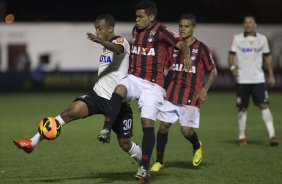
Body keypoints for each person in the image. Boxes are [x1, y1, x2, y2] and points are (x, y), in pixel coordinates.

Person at [13, 14, 142, 163]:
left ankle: (144, 164)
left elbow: (118, 48)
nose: (97, 32)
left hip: (117, 102)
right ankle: (32, 143)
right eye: (96, 29)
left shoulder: (122, 41)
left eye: (100, 29)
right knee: (70, 112)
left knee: (125, 143)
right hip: (98, 95)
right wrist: (101, 41)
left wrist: (99, 41)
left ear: (110, 28)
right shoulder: (105, 46)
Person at [96, 0, 192, 182]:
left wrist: (186, 56)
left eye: (141, 17)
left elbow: (181, 44)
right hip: (135, 78)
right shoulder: (135, 30)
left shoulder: (162, 31)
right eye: (136, 16)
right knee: (120, 88)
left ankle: (145, 166)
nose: (137, 19)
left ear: (151, 17)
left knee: (148, 123)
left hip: (154, 85)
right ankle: (107, 128)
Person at [150, 14, 217, 172]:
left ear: (194, 28)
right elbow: (165, 68)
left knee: (186, 130)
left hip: (192, 96)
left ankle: (197, 145)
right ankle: (159, 162)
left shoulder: (202, 49)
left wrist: (205, 88)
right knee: (163, 127)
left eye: (186, 26)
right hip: (172, 94)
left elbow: (213, 71)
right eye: (180, 26)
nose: (182, 29)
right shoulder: (174, 47)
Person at [228, 15, 278, 146]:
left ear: (255, 24)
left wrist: (271, 75)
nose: (248, 24)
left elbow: (268, 58)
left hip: (258, 79)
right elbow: (231, 56)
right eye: (246, 22)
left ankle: (272, 135)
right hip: (242, 80)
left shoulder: (262, 39)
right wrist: (233, 67)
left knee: (264, 105)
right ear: (244, 25)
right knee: (242, 108)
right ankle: (241, 136)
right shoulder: (237, 38)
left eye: (250, 22)